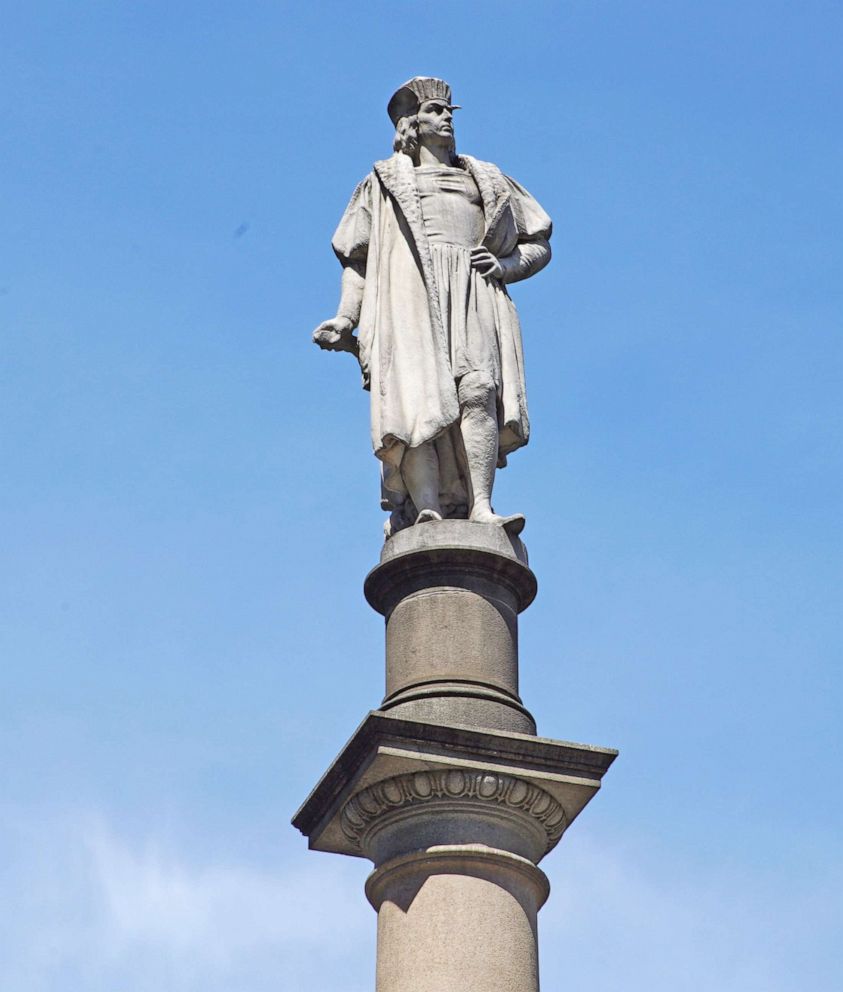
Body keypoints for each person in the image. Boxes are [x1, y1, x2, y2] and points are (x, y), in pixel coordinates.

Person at [313, 77, 552, 537]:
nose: (445, 119)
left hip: (472, 289)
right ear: (411, 124)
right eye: (434, 112)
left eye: (449, 112)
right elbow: (357, 261)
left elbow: (539, 243)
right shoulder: (382, 183)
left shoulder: (486, 177)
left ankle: (482, 506)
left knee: (478, 390)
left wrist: (504, 266)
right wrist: (346, 316)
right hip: (407, 297)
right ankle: (427, 509)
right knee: (416, 401)